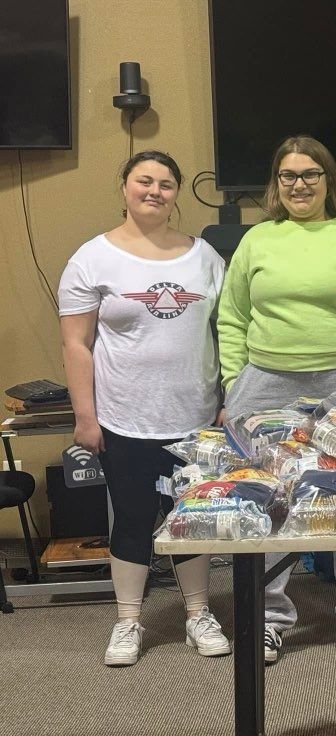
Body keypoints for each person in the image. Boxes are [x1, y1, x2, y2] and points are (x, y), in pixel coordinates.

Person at [218, 135, 336, 663]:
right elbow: (231, 315)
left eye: (310, 174)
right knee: (266, 502)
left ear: (328, 181)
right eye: (288, 176)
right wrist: (235, 383)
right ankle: (269, 619)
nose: (299, 184)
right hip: (266, 383)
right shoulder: (258, 239)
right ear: (277, 184)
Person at [59, 150, 229, 666]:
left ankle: (197, 612)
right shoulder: (92, 258)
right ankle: (128, 620)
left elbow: (228, 330)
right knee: (132, 519)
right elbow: (76, 344)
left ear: (177, 193)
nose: (154, 191)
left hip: (196, 419)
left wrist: (226, 402)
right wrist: (85, 417)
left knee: (194, 520)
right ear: (125, 187)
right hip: (124, 419)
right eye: (144, 181)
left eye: (165, 184)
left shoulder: (205, 257)